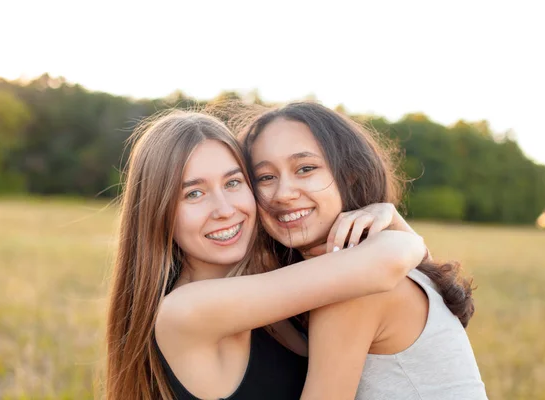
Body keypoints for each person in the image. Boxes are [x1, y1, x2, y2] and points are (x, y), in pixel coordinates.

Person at [105, 110, 427, 400]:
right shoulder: (185, 310)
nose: (225, 209)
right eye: (194, 193)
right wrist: (398, 227)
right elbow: (383, 267)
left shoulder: (266, 279)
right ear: (157, 212)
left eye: (233, 182)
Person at [240, 102, 488, 400]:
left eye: (306, 169)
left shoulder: (357, 285)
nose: (283, 193)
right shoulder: (377, 263)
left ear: (350, 176)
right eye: (265, 177)